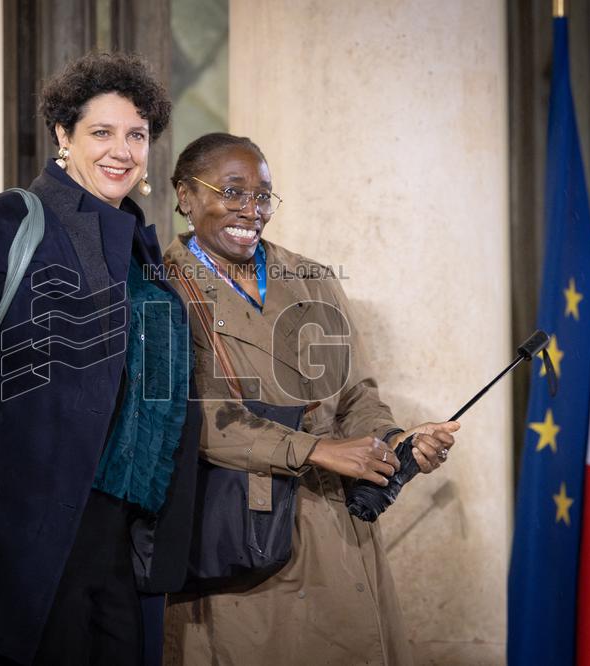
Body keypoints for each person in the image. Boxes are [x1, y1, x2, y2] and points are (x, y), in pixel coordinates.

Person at [0, 52, 201, 665]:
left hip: (122, 531)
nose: (122, 150)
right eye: (101, 132)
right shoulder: (3, 219)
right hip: (17, 520)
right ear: (63, 135)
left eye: (136, 135)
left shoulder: (143, 248)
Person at [162, 133, 460, 665]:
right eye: (232, 192)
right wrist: (315, 450)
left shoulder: (313, 280)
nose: (250, 211)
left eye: (262, 196)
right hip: (241, 539)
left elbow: (356, 396)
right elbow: (193, 418)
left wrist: (394, 441)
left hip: (337, 532)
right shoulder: (162, 288)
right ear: (186, 196)